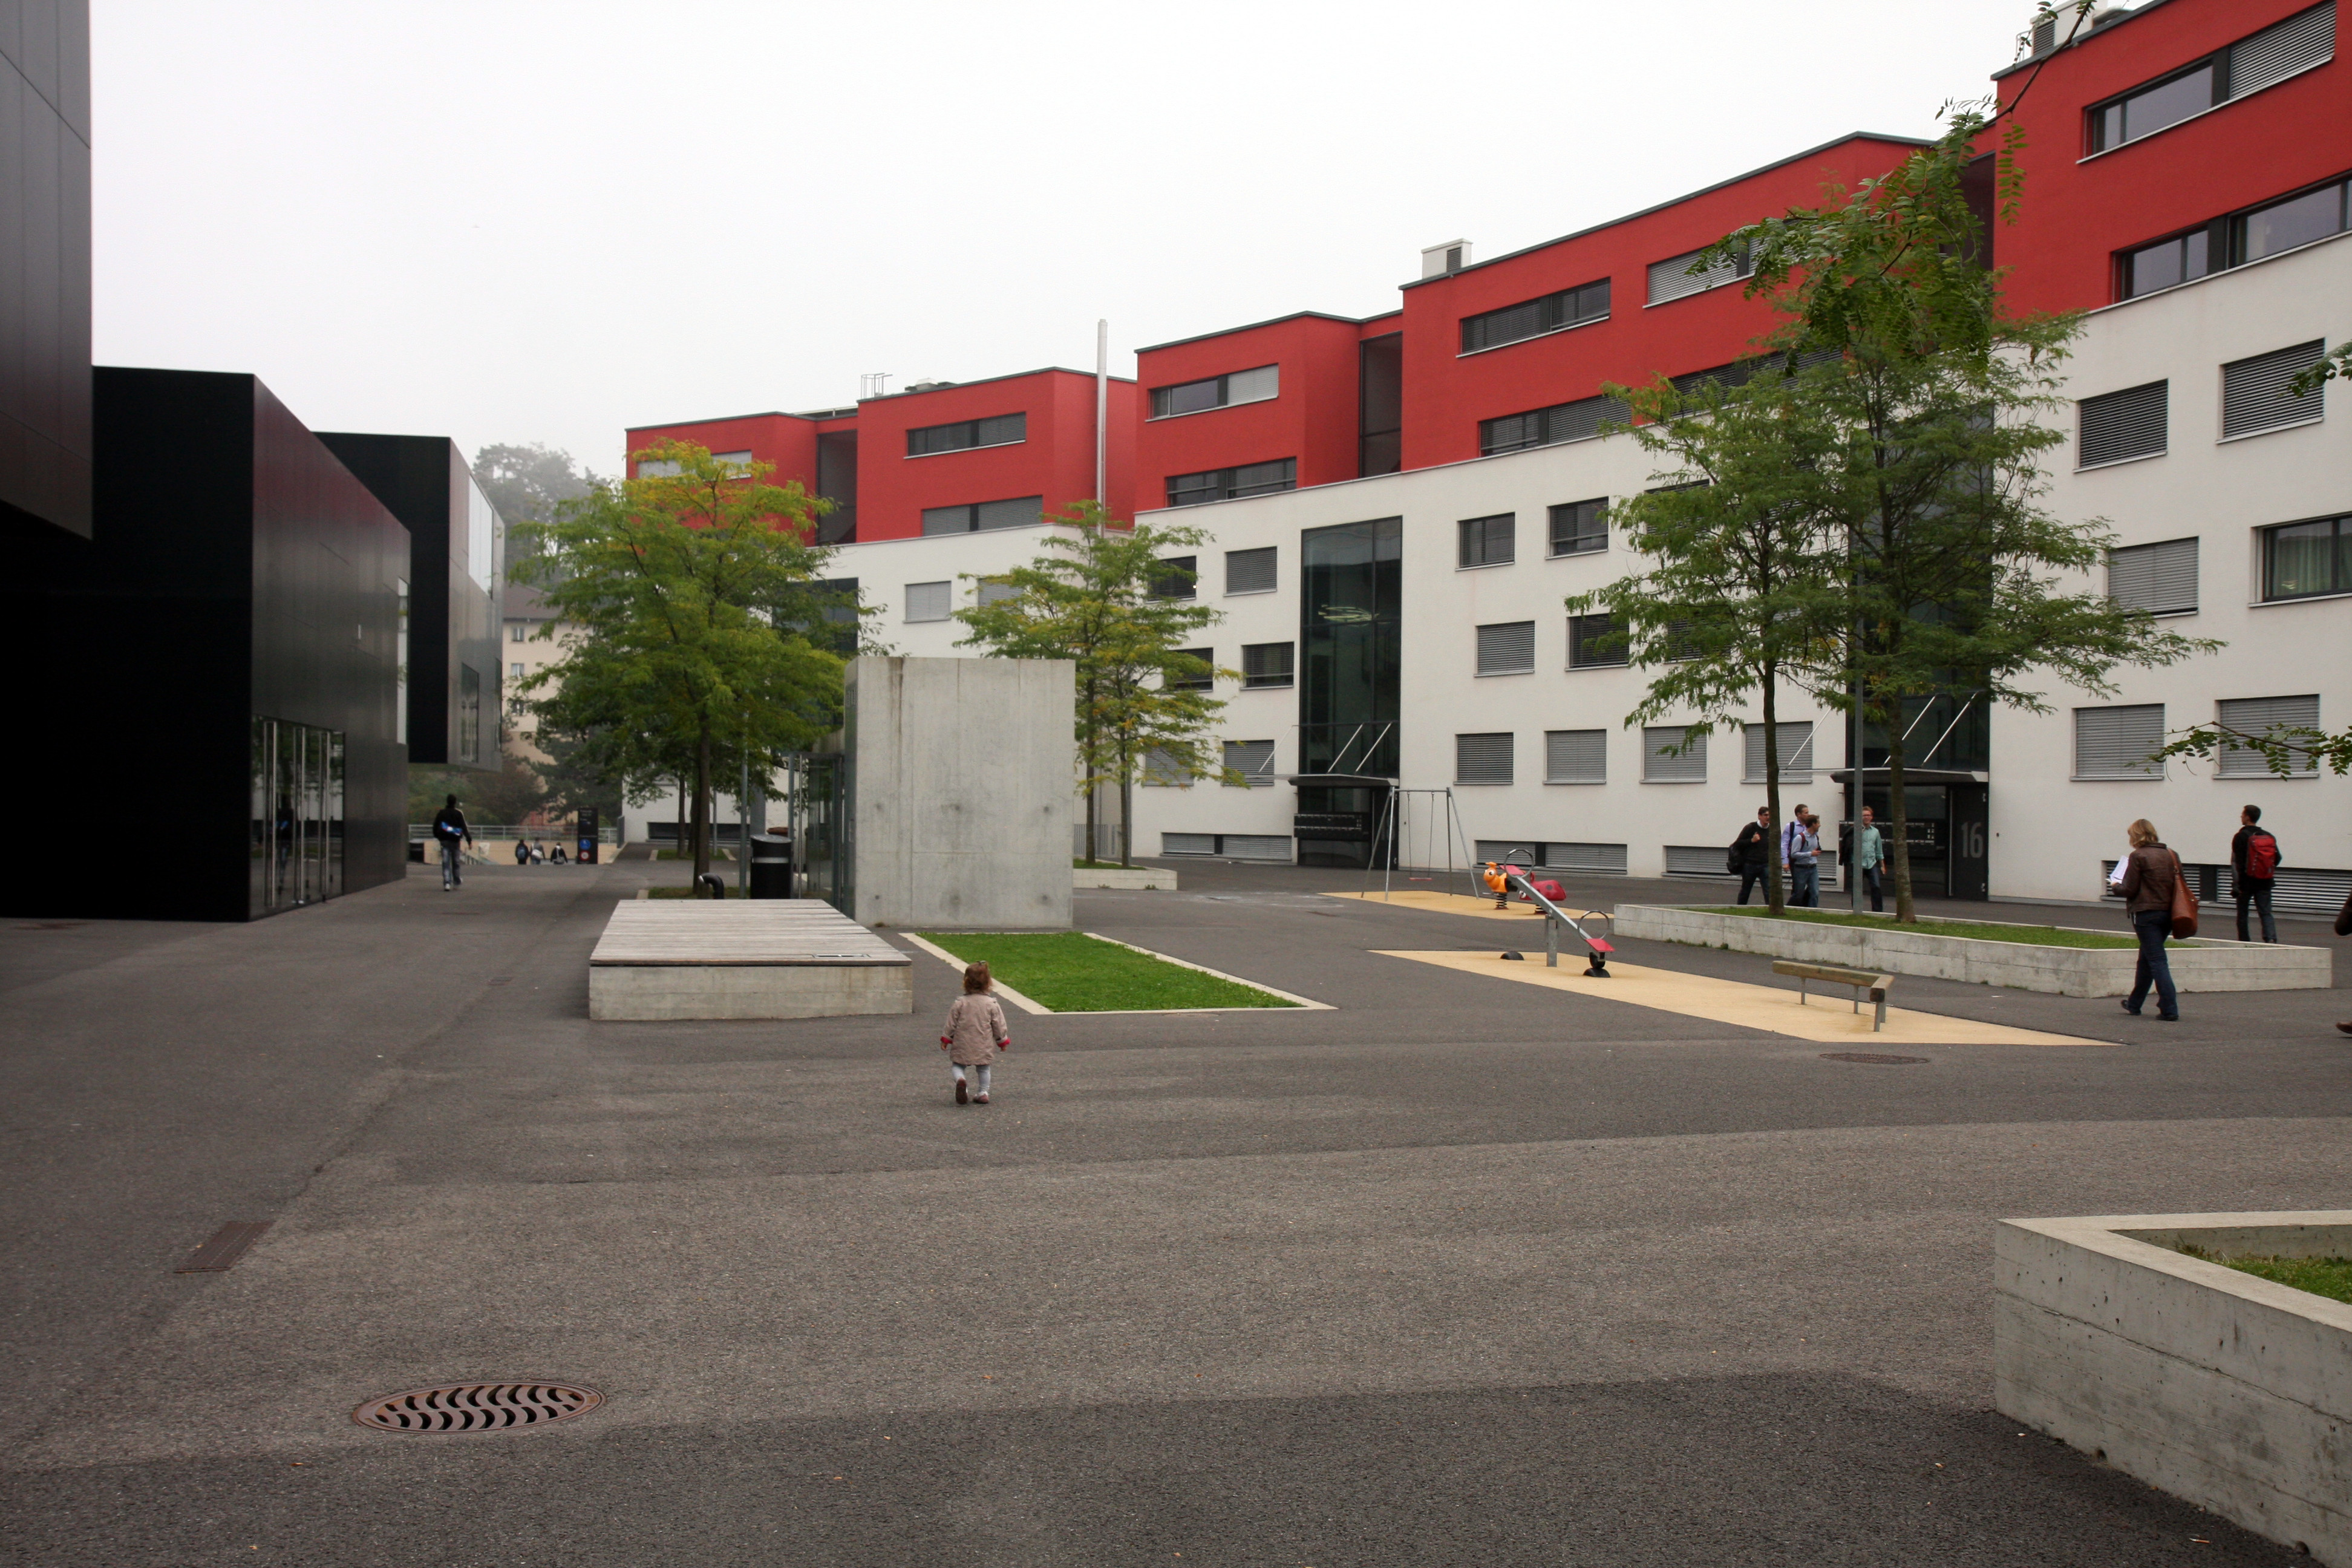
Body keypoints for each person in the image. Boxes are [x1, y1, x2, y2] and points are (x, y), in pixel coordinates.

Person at [2117, 817, 2181, 1022]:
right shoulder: (2171, 854)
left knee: (2156, 960)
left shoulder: (2138, 856)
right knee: (2146, 959)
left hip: (2146, 914)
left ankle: (2169, 1008)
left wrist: (2115, 886)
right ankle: (2134, 1003)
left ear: (2137, 836)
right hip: (2168, 913)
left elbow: (2130, 889)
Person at [939, 961, 1011, 1105]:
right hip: (983, 1043)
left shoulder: (960, 1003)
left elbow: (951, 1023)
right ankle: (983, 1092)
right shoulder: (991, 1004)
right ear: (989, 983)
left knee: (958, 1065)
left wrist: (946, 1038)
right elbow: (999, 1024)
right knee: (984, 1068)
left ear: (966, 982)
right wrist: (1002, 1041)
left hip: (962, 1042)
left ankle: (961, 1080)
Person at [2229, 805, 2279, 944]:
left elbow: (2237, 863)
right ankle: (2270, 939)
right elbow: (2277, 858)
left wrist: (2236, 884)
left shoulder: (2240, 837)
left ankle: (2244, 941)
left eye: (2242, 814)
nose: (2241, 816)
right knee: (2266, 912)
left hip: (2246, 883)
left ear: (2247, 817)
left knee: (2243, 914)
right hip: (2265, 881)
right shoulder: (2268, 836)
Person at [1730, 808, 1772, 905]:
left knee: (1768, 889)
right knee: (1746, 889)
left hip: (1765, 864)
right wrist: (1751, 841)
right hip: (1750, 864)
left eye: (1770, 815)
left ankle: (1771, 908)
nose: (1768, 817)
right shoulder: (1751, 828)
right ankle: (1741, 908)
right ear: (1759, 816)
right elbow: (1738, 844)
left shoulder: (1772, 829)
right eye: (1766, 815)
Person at [431, 795, 472, 891]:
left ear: (447, 801)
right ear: (455, 802)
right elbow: (464, 828)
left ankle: (447, 883)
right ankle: (456, 882)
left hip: (444, 841)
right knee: (456, 862)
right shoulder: (458, 814)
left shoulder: (442, 813)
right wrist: (469, 840)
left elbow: (435, 826)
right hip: (455, 841)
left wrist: (438, 836)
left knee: (446, 862)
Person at [1783, 805, 1820, 909]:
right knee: (1798, 892)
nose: (1808, 814)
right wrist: (1785, 861)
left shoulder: (1815, 835)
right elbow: (1785, 845)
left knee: (1814, 892)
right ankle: (1791, 908)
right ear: (1799, 814)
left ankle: (1812, 911)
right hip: (1799, 865)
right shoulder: (1793, 829)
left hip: (1812, 866)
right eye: (1806, 813)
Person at [1855, 806, 1886, 914]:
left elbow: (1879, 850)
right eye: (1864, 815)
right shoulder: (1856, 830)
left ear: (1872, 817)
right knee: (1857, 888)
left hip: (1871, 863)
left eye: (1868, 815)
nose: (1867, 817)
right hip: (1858, 864)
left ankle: (1877, 912)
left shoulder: (1876, 832)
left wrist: (1882, 865)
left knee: (1876, 886)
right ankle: (1856, 910)